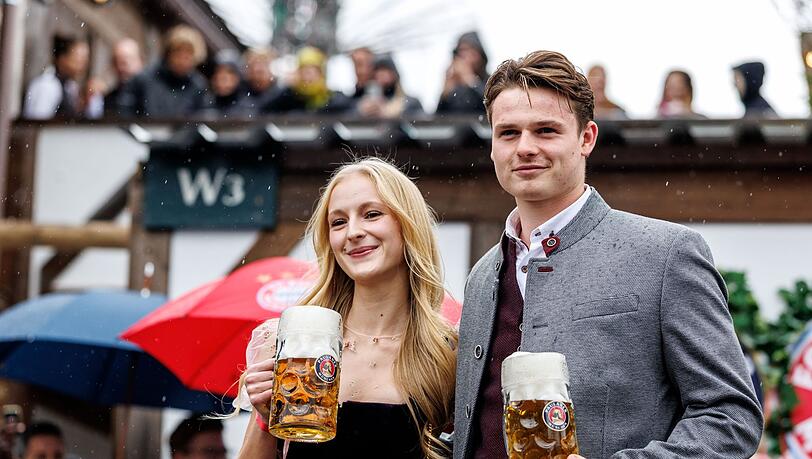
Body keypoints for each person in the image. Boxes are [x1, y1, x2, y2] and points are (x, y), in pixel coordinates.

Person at [453, 50, 763, 459]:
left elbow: (730, 415)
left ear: (586, 138)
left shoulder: (665, 254)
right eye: (508, 133)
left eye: (546, 130)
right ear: (492, 146)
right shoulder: (481, 276)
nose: (525, 147)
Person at [236, 158, 457, 458]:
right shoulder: (292, 345)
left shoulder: (446, 355)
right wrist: (266, 419)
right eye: (338, 222)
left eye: (371, 214)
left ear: (408, 225)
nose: (353, 232)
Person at [117, 25, 210, 118]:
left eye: (187, 56)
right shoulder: (144, 79)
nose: (182, 60)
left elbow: (202, 119)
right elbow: (125, 112)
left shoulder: (198, 86)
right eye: (178, 53)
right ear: (169, 53)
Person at [23, 35, 101, 120]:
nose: (84, 65)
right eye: (79, 59)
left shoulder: (71, 86)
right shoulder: (47, 85)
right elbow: (38, 121)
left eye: (85, 60)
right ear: (62, 58)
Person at [263, 46, 352, 114]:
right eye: (303, 72)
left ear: (321, 74)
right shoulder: (290, 96)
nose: (307, 77)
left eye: (311, 72)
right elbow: (264, 109)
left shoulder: (331, 97)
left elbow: (347, 107)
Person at [436, 32, 489, 115]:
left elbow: (491, 106)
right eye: (461, 52)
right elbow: (438, 120)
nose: (464, 57)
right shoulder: (455, 88)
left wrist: (471, 81)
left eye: (469, 51)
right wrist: (444, 95)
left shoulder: (490, 81)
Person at [355, 56, 423, 119]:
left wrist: (393, 114)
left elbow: (423, 120)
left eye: (384, 70)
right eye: (376, 71)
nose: (380, 75)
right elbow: (347, 115)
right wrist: (361, 112)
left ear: (394, 74)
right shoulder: (362, 103)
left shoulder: (411, 103)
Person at [103, 38, 144, 117]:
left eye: (126, 61)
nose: (121, 67)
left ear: (141, 61)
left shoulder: (152, 96)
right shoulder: (108, 99)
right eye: (116, 61)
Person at [203, 50, 249, 118]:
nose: (222, 76)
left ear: (238, 77)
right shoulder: (204, 102)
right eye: (218, 71)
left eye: (229, 72)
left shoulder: (247, 107)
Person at [239, 47, 281, 114]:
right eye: (254, 64)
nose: (258, 68)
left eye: (264, 63)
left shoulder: (281, 94)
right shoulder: (239, 92)